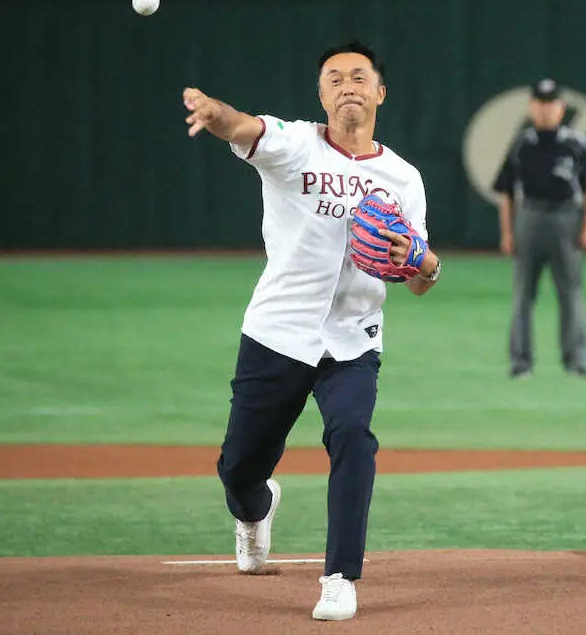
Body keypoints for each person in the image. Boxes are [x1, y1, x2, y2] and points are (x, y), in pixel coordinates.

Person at [182, 41, 442, 622]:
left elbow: (419, 277)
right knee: (239, 467)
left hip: (353, 337)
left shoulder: (402, 178)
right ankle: (255, 509)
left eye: (359, 77)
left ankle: (340, 577)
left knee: (353, 434)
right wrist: (212, 111)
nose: (347, 85)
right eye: (334, 78)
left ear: (379, 92)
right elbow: (240, 126)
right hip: (278, 332)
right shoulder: (294, 145)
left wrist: (421, 261)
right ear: (321, 94)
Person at [492, 77, 586, 379]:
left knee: (571, 293)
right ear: (531, 107)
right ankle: (520, 362)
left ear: (561, 107)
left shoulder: (575, 143)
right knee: (523, 295)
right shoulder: (522, 143)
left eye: (551, 103)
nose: (545, 109)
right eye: (540, 103)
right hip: (531, 216)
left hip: (566, 218)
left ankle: (577, 361)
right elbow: (506, 192)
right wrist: (507, 233)